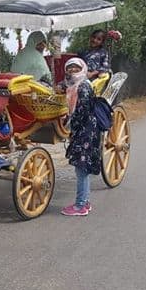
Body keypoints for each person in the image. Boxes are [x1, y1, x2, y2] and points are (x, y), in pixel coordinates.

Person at [60, 57, 100, 216]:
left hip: (85, 131)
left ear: (82, 69)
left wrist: (69, 123)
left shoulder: (83, 86)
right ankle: (85, 202)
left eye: (76, 68)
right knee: (81, 169)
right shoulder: (73, 85)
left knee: (81, 169)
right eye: (69, 68)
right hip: (83, 130)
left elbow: (82, 111)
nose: (72, 71)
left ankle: (80, 206)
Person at [78, 29, 111, 95]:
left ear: (102, 42)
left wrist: (92, 73)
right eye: (94, 37)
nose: (95, 40)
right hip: (81, 77)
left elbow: (105, 67)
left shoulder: (103, 53)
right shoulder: (83, 52)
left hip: (94, 80)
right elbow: (78, 64)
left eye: (98, 39)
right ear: (90, 37)